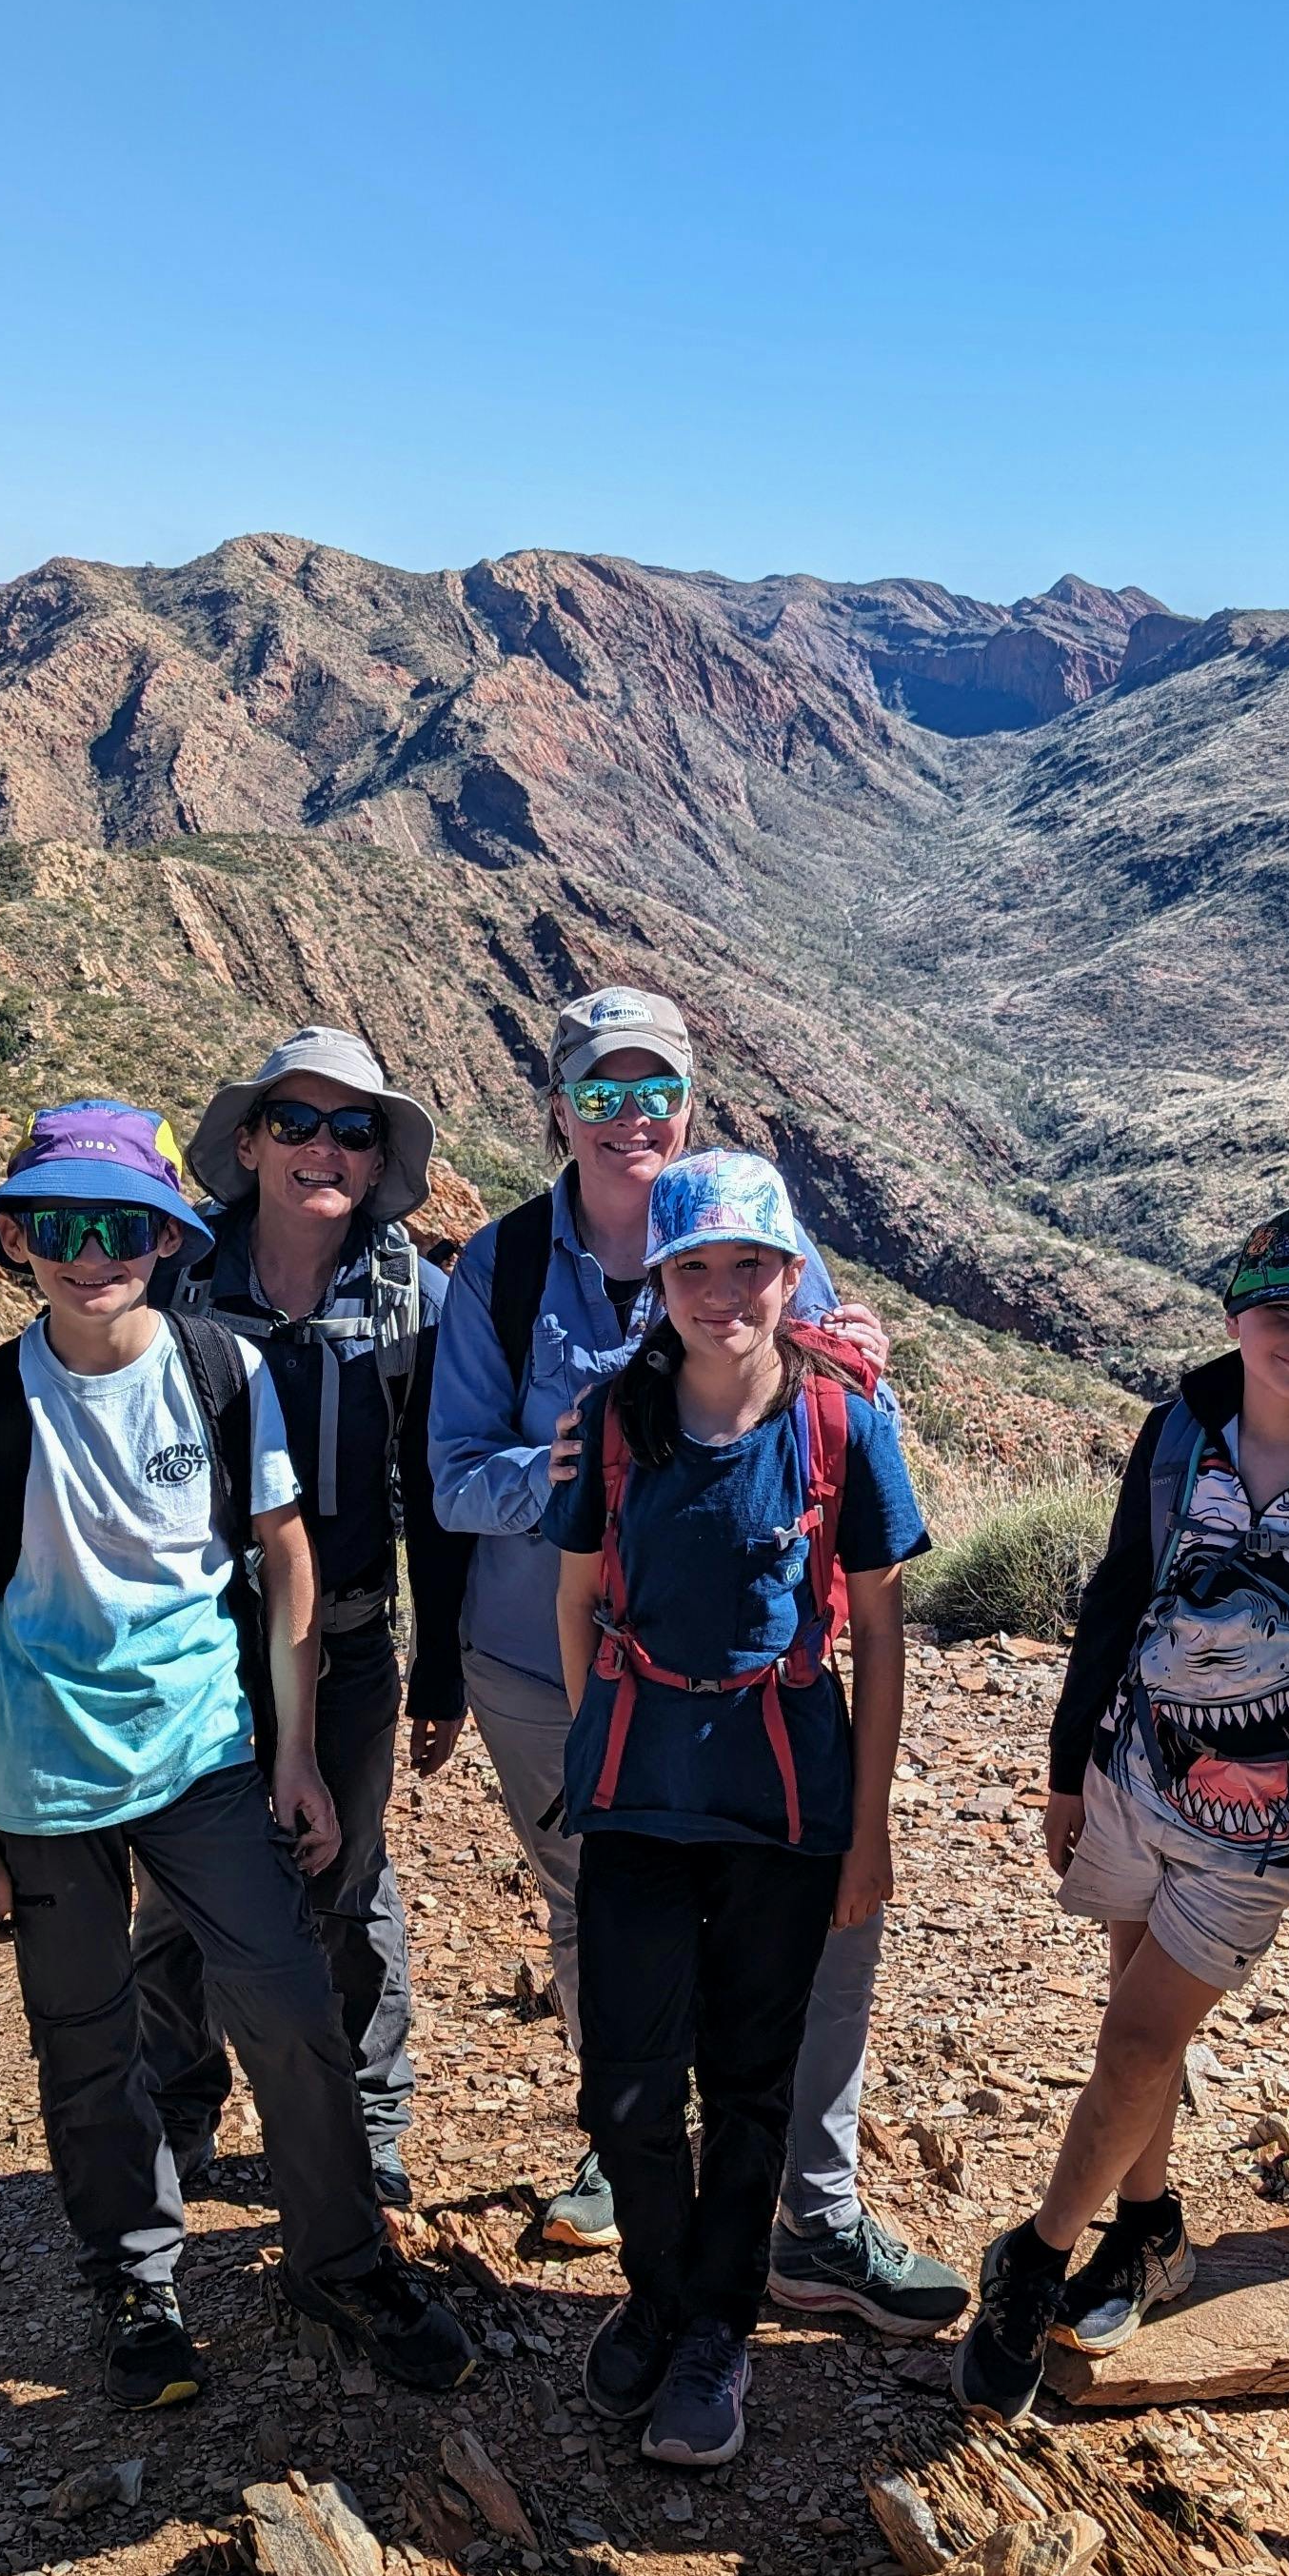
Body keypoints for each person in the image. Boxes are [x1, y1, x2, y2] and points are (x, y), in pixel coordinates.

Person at [0, 1100, 475, 2409]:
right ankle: (135, 2281)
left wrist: (292, 1755)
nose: (90, 1251)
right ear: (16, 1238)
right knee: (86, 2037)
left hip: (206, 1757)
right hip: (38, 1781)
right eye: (60, 1225)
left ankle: (342, 2258)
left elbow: (281, 1556)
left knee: (285, 2002)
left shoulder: (220, 1374)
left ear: (165, 1241)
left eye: (119, 1226)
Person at [423, 984, 969, 2336]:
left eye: (651, 1090)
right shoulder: (497, 1271)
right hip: (550, 1667)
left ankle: (810, 2210)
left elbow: (835, 1423)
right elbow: (446, 1478)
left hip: (756, 1676)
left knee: (814, 1927)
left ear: (686, 1101)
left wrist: (865, 1380)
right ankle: (635, 2161)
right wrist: (560, 1472)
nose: (628, 1119)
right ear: (557, 1108)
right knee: (595, 1909)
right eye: (598, 1095)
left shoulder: (766, 1242)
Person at [956, 1207, 1289, 2423]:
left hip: (1262, 1824)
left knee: (1133, 2044)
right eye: (1284, 1314)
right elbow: (1119, 1591)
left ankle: (1036, 2257)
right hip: (1134, 1770)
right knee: (1143, 2039)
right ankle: (1151, 2228)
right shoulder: (1179, 1432)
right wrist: (1069, 1767)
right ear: (1236, 1314)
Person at [544, 1150, 925, 2465]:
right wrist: (598, 1746)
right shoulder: (615, 1422)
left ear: (788, 1271)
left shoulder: (841, 1428)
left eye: (749, 1266)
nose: (723, 1294)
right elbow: (577, 1596)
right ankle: (656, 2297)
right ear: (657, 1278)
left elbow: (879, 1633)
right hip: (642, 1797)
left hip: (783, 1803)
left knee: (751, 2080)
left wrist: (865, 1828)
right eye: (694, 1268)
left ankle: (716, 2327)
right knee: (632, 2080)